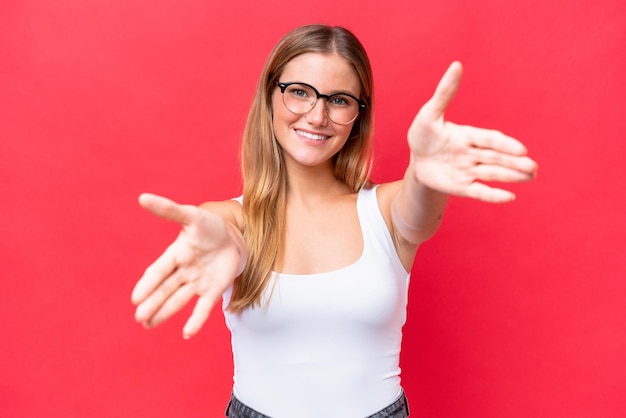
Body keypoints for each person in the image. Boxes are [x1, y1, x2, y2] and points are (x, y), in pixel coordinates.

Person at [130, 24, 537, 418]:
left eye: (339, 100)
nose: (317, 115)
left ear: (359, 115)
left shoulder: (385, 210)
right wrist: (220, 239)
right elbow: (224, 230)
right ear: (270, 95)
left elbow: (418, 209)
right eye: (300, 92)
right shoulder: (232, 219)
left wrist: (424, 173)